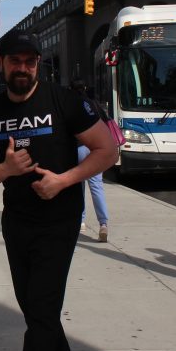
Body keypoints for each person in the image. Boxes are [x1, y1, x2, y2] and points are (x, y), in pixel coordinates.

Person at [0, 29, 117, 351]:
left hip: (58, 221)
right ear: (1, 63)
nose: (23, 68)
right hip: (16, 222)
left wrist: (64, 181)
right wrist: (4, 170)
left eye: (30, 61)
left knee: (43, 305)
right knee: (35, 307)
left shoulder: (65, 101)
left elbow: (107, 150)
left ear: (38, 64)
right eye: (15, 60)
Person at [70, 79, 111, 243]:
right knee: (96, 186)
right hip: (95, 149)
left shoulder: (70, 105)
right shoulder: (94, 104)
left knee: (78, 186)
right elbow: (106, 123)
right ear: (85, 88)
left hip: (78, 148)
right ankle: (103, 223)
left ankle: (81, 221)